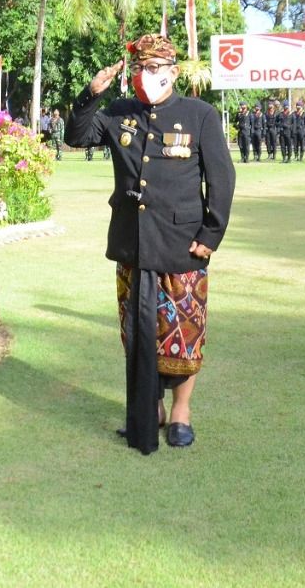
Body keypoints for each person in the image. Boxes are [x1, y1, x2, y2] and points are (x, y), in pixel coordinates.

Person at [64, 34, 236, 454]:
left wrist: (210, 236)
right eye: (141, 69)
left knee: (183, 334)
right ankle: (149, 409)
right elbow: (77, 136)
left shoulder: (199, 115)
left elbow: (221, 178)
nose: (147, 76)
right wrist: (92, 93)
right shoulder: (120, 113)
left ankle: (181, 411)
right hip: (132, 244)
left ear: (173, 72)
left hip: (181, 245)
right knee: (138, 333)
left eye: (155, 69)